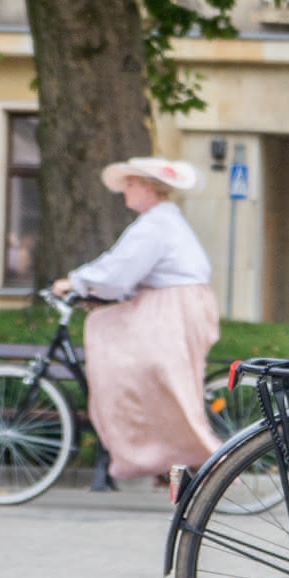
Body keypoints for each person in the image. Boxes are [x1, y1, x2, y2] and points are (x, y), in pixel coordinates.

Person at [51, 157, 220, 484]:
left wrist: (75, 283)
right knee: (153, 376)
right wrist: (93, 287)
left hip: (172, 308)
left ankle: (192, 454)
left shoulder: (156, 225)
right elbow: (124, 268)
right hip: (172, 304)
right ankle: (168, 458)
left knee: (147, 373)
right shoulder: (159, 221)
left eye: (130, 184)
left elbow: (119, 270)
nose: (125, 191)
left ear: (147, 188)